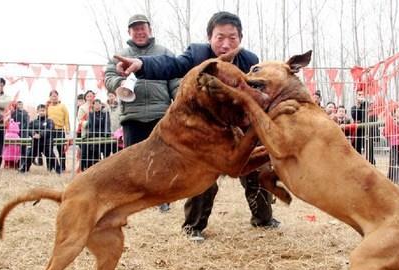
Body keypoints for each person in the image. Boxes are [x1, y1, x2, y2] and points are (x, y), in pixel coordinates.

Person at [114, 11, 280, 241]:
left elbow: (259, 92)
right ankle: (193, 227)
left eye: (232, 38)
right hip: (205, 132)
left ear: (240, 39)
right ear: (209, 38)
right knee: (204, 176)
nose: (225, 44)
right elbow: (171, 65)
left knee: (257, 169)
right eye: (220, 37)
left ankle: (264, 219)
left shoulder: (249, 61)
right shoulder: (197, 54)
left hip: (239, 126)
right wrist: (142, 64)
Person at [105, 14, 179, 213]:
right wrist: (119, 83)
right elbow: (108, 77)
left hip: (160, 114)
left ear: (150, 30)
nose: (139, 32)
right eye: (135, 29)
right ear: (129, 32)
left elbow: (175, 80)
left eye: (142, 28)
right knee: (133, 160)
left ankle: (162, 199)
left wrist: (179, 101)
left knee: (162, 159)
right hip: (132, 114)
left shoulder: (164, 52)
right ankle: (135, 198)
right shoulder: (120, 55)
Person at [20, 104, 61, 173]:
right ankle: (23, 170)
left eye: (43, 110)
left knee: (52, 157)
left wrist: (40, 135)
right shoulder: (33, 122)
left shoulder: (50, 121)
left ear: (46, 111)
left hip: (46, 144)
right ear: (37, 112)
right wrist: (33, 134)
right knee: (29, 156)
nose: (41, 112)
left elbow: (49, 130)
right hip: (35, 143)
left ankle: (58, 171)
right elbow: (28, 129)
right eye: (40, 111)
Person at [81, 99, 112, 170]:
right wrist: (91, 134)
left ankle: (106, 168)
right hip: (94, 135)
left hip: (104, 136)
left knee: (106, 152)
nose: (97, 106)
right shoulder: (91, 114)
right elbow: (91, 125)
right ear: (93, 105)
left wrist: (106, 133)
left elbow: (107, 124)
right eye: (96, 104)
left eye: (98, 104)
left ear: (101, 105)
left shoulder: (105, 114)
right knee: (94, 152)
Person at [47, 90, 70, 171]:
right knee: (49, 149)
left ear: (58, 97)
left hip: (60, 130)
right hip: (50, 131)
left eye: (55, 96)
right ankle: (50, 167)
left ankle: (62, 167)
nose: (54, 97)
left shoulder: (62, 106)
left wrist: (67, 130)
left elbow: (66, 118)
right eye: (52, 96)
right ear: (49, 97)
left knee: (61, 150)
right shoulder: (48, 107)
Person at [351, 89, 376, 164]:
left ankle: (371, 165)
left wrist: (365, 104)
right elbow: (355, 117)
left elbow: (371, 116)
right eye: (359, 95)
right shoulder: (354, 107)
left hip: (368, 131)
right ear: (356, 96)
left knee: (369, 151)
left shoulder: (369, 106)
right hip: (358, 132)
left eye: (362, 95)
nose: (361, 96)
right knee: (356, 150)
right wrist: (359, 106)